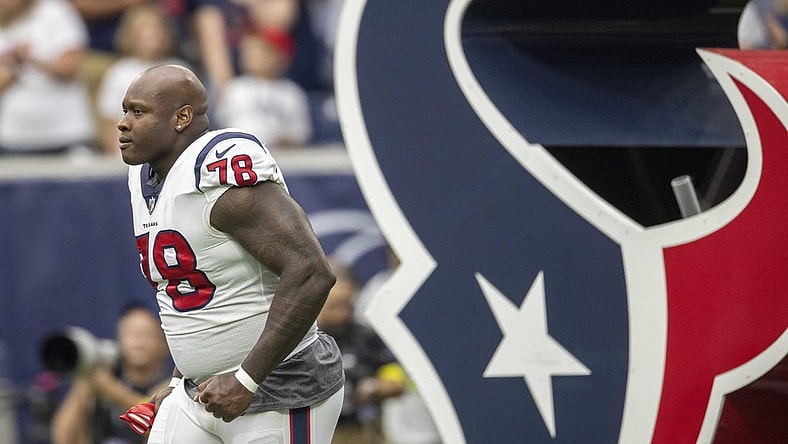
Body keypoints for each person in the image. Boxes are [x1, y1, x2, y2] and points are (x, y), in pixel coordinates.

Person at [119, 64, 343, 443]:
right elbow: (207, 294)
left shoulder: (217, 173)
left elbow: (311, 271)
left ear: (182, 118)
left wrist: (247, 378)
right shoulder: (144, 179)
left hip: (279, 386)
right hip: (199, 391)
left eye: (138, 112)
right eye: (125, 110)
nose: (123, 123)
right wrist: (181, 374)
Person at [49, 303, 172, 444]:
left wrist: (108, 388)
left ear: (164, 344)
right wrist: (83, 383)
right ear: (120, 339)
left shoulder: (170, 385)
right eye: (131, 333)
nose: (139, 341)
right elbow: (63, 438)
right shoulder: (103, 381)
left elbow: (155, 420)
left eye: (146, 333)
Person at [0, 0, 96, 155]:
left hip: (67, 135)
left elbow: (72, 67)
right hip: (14, 138)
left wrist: (31, 59)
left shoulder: (55, 11)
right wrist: (13, 64)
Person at [95, 2, 187, 155]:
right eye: (142, 33)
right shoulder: (119, 72)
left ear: (165, 33)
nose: (149, 39)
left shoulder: (179, 69)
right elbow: (109, 119)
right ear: (130, 36)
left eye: (154, 32)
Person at [316, 259, 392, 444]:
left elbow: (394, 376)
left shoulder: (365, 337)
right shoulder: (302, 341)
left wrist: (376, 387)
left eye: (348, 305)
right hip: (316, 431)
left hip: (359, 430)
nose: (343, 314)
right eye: (334, 306)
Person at [215, 24, 312, 151]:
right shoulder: (235, 88)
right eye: (249, 50)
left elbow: (301, 134)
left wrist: (283, 139)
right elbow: (223, 125)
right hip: (240, 155)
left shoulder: (292, 93)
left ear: (281, 57)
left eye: (261, 50)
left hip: (282, 158)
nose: (253, 55)